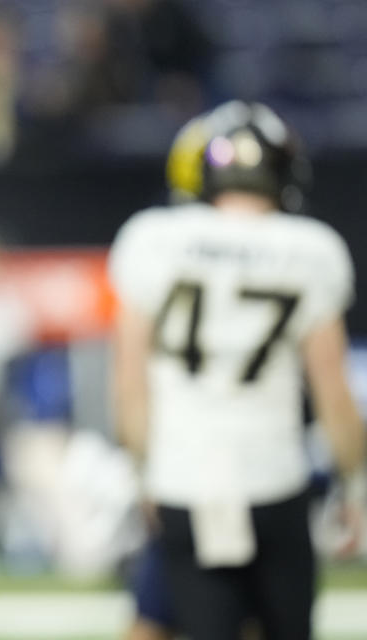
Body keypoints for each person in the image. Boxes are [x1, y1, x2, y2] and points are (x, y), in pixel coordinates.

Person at [109, 100, 366, 640]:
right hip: (274, 475)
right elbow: (332, 394)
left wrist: (142, 472)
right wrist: (357, 486)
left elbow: (131, 382)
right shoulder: (312, 249)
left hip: (184, 480)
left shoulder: (153, 238)